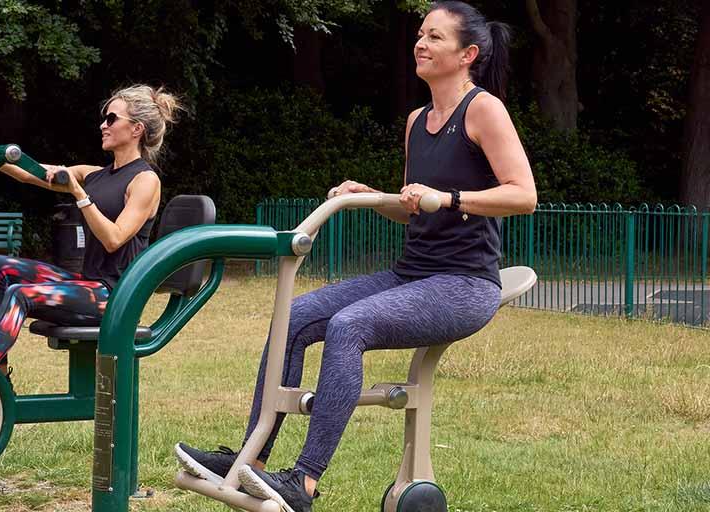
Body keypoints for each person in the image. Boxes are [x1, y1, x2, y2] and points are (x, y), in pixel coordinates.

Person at [175, 3, 536, 511]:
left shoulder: (483, 109)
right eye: (419, 33)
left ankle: (302, 484)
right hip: (411, 273)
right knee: (295, 316)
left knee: (349, 325)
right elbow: (416, 212)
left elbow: (523, 195)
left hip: (465, 284)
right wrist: (377, 196)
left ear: (467, 54)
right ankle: (251, 462)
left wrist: (450, 199)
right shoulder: (417, 120)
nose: (420, 43)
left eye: (434, 36)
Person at [0, 84, 183, 426]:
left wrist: (78, 193)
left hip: (114, 298)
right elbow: (23, 169)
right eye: (103, 118)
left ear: (136, 129)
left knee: (21, 294)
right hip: (87, 285)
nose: (103, 125)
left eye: (112, 118)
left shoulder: (144, 181)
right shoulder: (94, 174)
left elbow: (114, 238)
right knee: (0, 268)